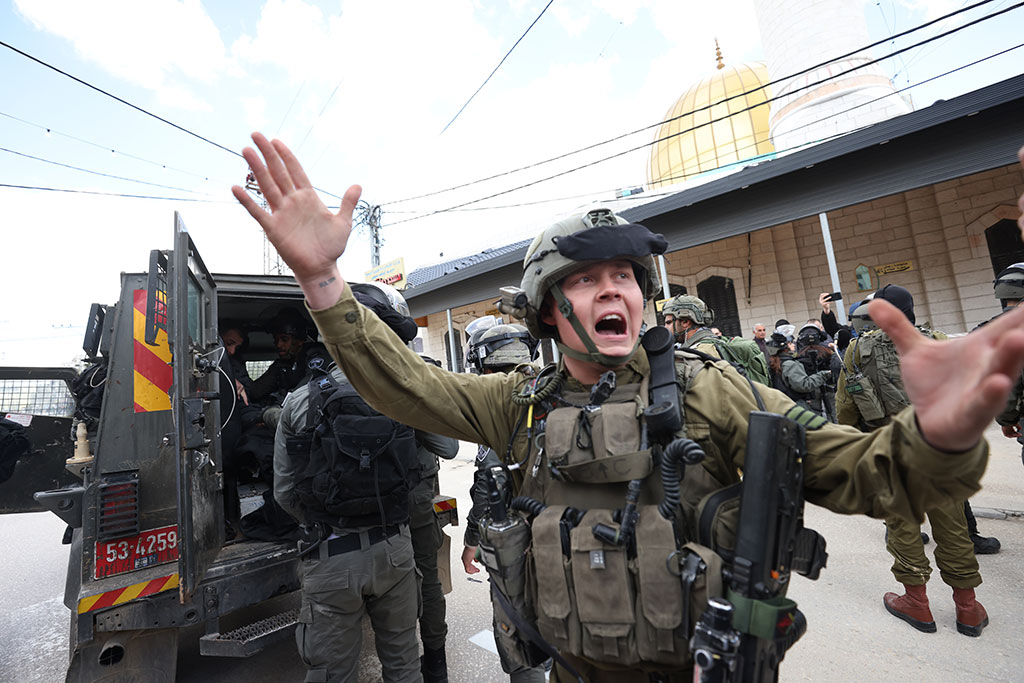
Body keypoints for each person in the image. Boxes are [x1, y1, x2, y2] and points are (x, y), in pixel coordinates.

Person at [233, 133, 1024, 680]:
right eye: (586, 278)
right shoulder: (522, 405)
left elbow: (864, 473)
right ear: (550, 310)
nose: (613, 288)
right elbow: (403, 385)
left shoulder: (712, 390)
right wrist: (324, 285)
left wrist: (940, 432)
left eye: (625, 276)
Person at [272, 283, 427, 683]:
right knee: (404, 664)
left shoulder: (299, 401)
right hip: (394, 549)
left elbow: (284, 493)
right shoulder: (405, 390)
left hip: (330, 553)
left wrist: (322, 517)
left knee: (332, 673)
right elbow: (443, 448)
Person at [836, 284, 988, 637]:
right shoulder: (938, 341)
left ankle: (916, 602)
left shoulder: (857, 349)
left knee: (902, 526)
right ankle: (968, 609)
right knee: (953, 526)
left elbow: (845, 408)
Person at [461, 318, 547, 683]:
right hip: (564, 535)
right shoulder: (553, 390)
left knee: (522, 640)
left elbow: (489, 486)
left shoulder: (503, 407)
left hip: (518, 545)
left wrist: (471, 542)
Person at [248, 307, 315, 404]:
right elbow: (255, 392)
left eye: (284, 339)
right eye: (275, 339)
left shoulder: (314, 359)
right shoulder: (281, 365)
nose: (278, 345)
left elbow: (306, 389)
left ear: (299, 340)